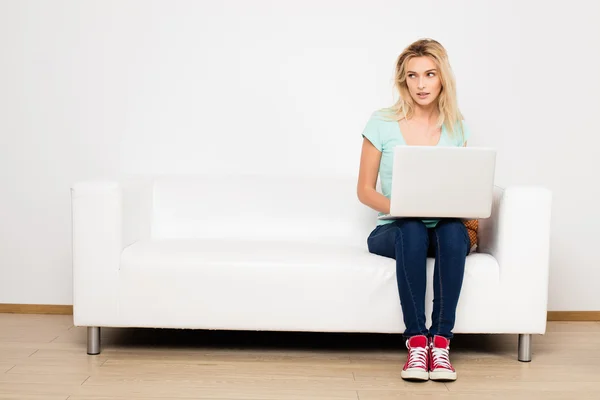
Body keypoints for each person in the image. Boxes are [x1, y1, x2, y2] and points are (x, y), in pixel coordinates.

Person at [357, 38, 471, 382]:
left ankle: (441, 342)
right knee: (412, 227)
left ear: (442, 78)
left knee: (453, 231)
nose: (421, 84)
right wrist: (403, 206)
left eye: (429, 74)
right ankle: (417, 341)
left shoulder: (456, 127)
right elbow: (364, 191)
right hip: (393, 230)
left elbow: (461, 186)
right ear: (402, 80)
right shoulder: (381, 122)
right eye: (413, 76)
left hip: (440, 229)